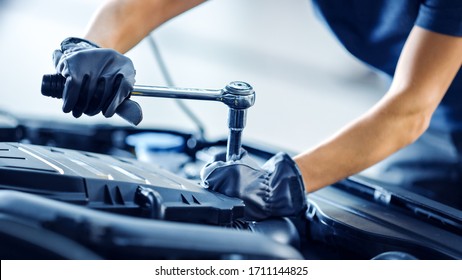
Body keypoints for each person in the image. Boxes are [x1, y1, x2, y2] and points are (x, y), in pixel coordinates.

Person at [52, 0, 462, 220]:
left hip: (423, 109)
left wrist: (281, 183)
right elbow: (148, 4)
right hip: (442, 116)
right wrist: (87, 47)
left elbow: (410, 108)